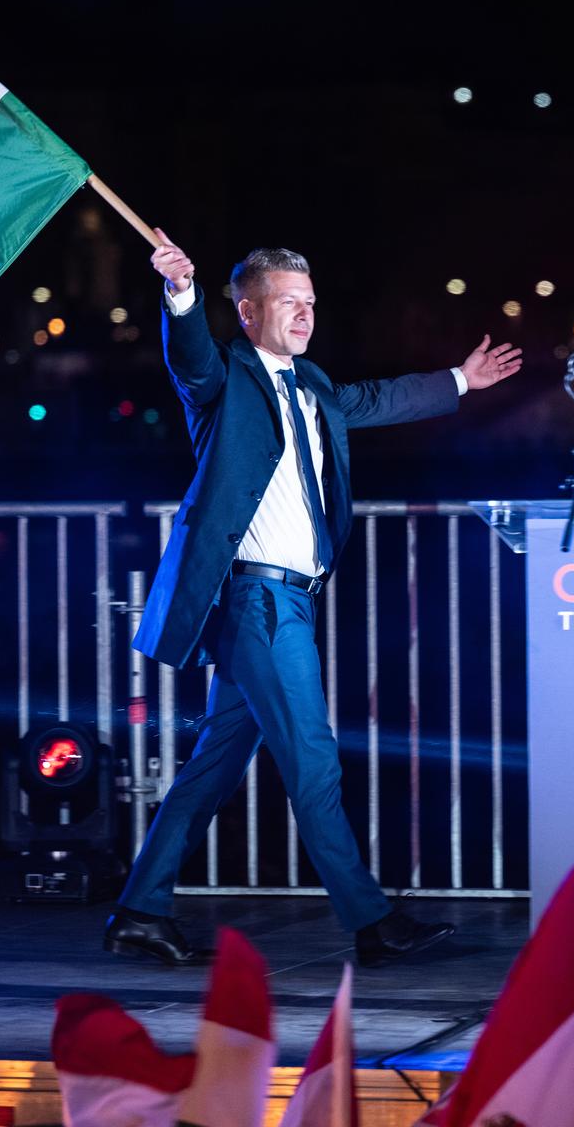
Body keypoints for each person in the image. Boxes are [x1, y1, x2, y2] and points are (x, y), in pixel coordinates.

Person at [103, 233, 522, 967]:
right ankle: (371, 921)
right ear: (247, 311)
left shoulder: (316, 386)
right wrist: (178, 292)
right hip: (256, 602)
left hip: (289, 602)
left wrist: (460, 378)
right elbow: (189, 353)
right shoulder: (224, 379)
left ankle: (139, 911)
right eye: (289, 303)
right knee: (315, 762)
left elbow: (379, 398)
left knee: (209, 772)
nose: (304, 315)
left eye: (310, 303)